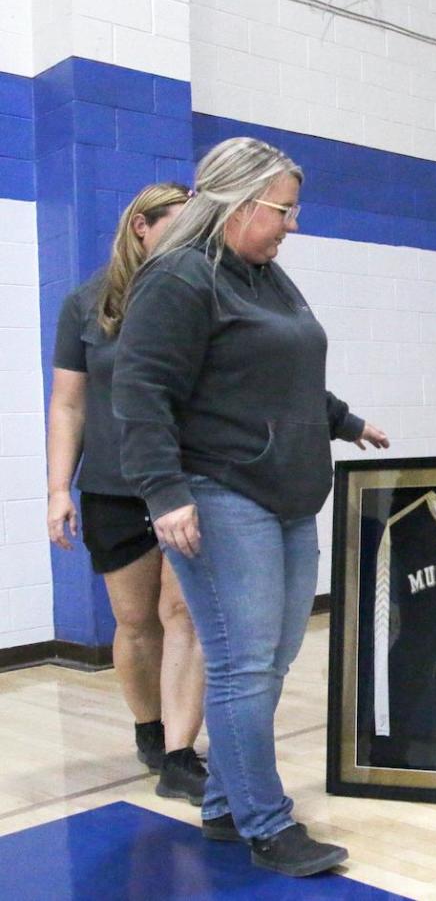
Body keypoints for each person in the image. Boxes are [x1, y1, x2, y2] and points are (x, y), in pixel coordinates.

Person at [113, 137, 389, 878]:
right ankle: (267, 822)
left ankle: (224, 806)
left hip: (290, 493)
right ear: (235, 202)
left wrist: (345, 420)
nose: (291, 224)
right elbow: (140, 394)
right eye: (282, 209)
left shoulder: (266, 277)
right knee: (240, 664)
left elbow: (281, 368)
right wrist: (164, 492)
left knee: (273, 658)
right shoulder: (178, 276)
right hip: (218, 490)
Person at [46, 182, 207, 805]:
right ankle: (149, 729)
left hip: (185, 482)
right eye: (180, 224)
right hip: (113, 488)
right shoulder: (85, 305)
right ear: (141, 225)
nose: (194, 239)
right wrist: (59, 487)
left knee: (183, 615)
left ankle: (179, 753)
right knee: (137, 623)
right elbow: (69, 403)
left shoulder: (200, 295)